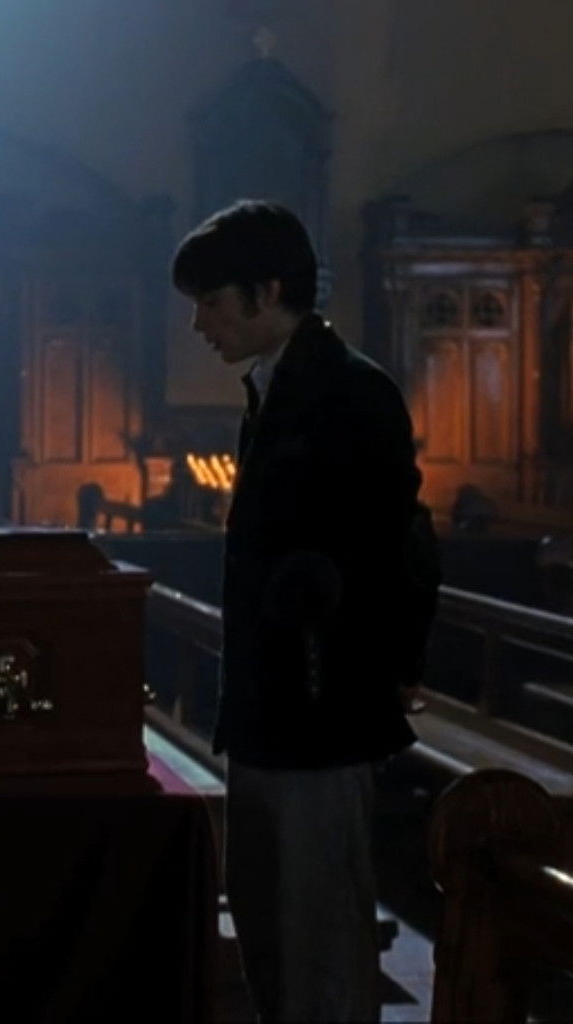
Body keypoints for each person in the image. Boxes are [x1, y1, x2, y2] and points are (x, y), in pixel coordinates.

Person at [172, 199, 437, 1023]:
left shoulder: (351, 390)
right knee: (267, 922)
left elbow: (403, 549)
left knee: (317, 934)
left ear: (268, 291)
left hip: (323, 706)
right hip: (272, 703)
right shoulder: (276, 384)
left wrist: (394, 667)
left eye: (212, 303)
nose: (200, 325)